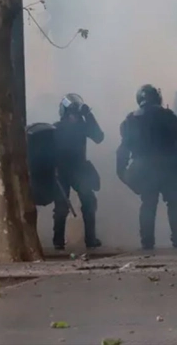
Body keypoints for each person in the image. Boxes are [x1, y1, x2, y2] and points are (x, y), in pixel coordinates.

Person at [116, 85, 177, 250]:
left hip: (144, 166)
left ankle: (147, 241)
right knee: (175, 203)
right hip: (169, 166)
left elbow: (124, 148)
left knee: (148, 203)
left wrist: (121, 170)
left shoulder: (130, 120)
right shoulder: (168, 116)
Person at [53, 94, 105, 250]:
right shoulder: (56, 128)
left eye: (76, 115)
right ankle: (58, 241)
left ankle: (90, 239)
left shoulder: (82, 126)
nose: (73, 118)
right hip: (62, 171)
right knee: (61, 206)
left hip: (79, 170)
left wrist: (89, 115)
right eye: (71, 114)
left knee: (89, 203)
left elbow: (99, 137)